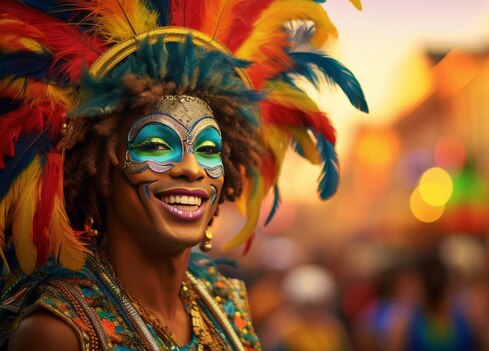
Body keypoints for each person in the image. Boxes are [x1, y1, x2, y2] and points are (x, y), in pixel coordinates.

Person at [0, 1, 367, 350]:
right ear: (102, 172)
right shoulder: (59, 332)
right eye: (158, 145)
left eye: (208, 150)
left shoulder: (228, 305)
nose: (192, 169)